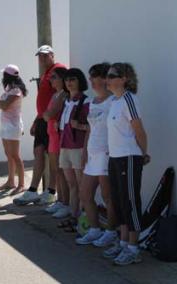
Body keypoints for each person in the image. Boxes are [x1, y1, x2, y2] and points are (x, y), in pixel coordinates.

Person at [102, 63, 149, 266]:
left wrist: (143, 154)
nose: (108, 79)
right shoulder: (114, 101)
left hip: (129, 158)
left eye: (112, 76)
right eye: (108, 76)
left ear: (124, 79)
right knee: (119, 202)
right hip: (115, 158)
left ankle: (133, 248)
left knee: (130, 202)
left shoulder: (129, 100)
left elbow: (139, 130)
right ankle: (122, 243)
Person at [14, 45, 66, 206]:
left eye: (45, 55)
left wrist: (53, 117)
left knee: (53, 157)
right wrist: (37, 120)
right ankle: (32, 190)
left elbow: (61, 95)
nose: (42, 59)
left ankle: (51, 192)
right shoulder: (46, 74)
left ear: (52, 55)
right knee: (38, 152)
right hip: (42, 120)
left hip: (52, 121)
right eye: (40, 56)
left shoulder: (59, 69)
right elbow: (44, 100)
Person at [76, 63, 118, 246]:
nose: (92, 81)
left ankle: (111, 232)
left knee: (108, 197)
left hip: (107, 155)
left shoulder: (114, 102)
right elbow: (90, 131)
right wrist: (85, 153)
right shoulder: (92, 102)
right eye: (91, 77)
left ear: (105, 79)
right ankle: (94, 230)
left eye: (95, 76)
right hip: (92, 155)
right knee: (85, 194)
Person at [56, 68, 90, 231]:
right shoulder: (66, 100)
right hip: (65, 146)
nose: (69, 83)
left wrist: (81, 126)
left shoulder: (85, 101)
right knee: (72, 184)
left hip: (78, 147)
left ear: (80, 81)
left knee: (81, 184)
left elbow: (92, 126)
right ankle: (73, 216)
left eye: (73, 80)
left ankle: (83, 219)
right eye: (67, 80)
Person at [0, 64, 27, 195]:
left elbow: (3, 104)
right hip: (6, 126)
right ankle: (10, 181)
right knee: (9, 155)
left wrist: (0, 103)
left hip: (13, 126)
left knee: (15, 155)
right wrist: (0, 103)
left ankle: (21, 184)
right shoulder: (9, 89)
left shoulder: (16, 91)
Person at [42, 67, 70, 216]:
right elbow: (46, 115)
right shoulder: (55, 95)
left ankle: (66, 203)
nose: (50, 79)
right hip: (52, 135)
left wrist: (47, 115)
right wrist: (47, 115)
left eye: (54, 77)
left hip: (58, 136)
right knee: (56, 170)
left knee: (61, 171)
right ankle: (60, 200)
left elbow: (49, 115)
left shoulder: (63, 95)